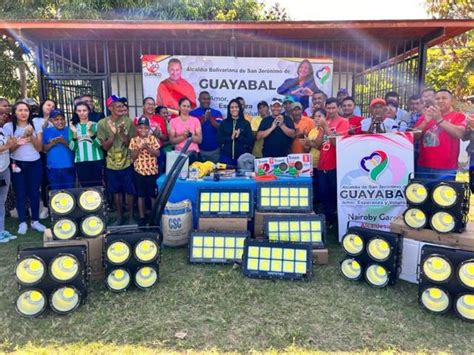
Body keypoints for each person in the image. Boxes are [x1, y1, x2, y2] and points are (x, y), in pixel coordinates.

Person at [3, 102, 46, 234]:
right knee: (20, 193)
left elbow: (39, 148)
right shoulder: (8, 126)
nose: (23, 113)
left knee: (34, 192)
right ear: (14, 112)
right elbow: (10, 149)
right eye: (20, 110)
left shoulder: (35, 124)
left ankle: (35, 221)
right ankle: (22, 222)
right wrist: (21, 139)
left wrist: (31, 135)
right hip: (17, 163)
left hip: (34, 162)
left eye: (26, 110)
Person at [97, 95, 136, 225]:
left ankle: (130, 217)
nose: (121, 108)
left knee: (129, 191)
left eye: (122, 106)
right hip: (111, 164)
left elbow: (131, 143)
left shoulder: (128, 121)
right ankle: (119, 217)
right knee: (116, 192)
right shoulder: (102, 123)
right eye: (117, 106)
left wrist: (121, 133)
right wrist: (113, 135)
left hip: (127, 162)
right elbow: (105, 147)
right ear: (110, 108)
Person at [415, 89, 466, 181]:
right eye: (437, 98)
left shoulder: (458, 116)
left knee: (443, 194)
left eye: (444, 98)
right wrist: (425, 121)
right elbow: (414, 137)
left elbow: (459, 133)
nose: (440, 101)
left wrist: (439, 120)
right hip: (423, 166)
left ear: (452, 101)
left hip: (446, 169)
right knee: (421, 195)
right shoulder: (426, 115)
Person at [315, 98, 350, 227]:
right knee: (324, 194)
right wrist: (321, 128)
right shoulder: (326, 121)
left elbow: (337, 143)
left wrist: (325, 127)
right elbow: (318, 145)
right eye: (328, 108)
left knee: (334, 194)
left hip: (335, 164)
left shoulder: (343, 122)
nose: (331, 110)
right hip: (322, 164)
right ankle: (327, 220)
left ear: (338, 108)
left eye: (333, 108)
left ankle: (336, 222)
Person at [129, 116, 160, 226]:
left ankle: (153, 217)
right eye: (141, 127)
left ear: (149, 128)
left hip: (152, 172)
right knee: (140, 195)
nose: (143, 130)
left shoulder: (152, 139)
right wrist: (139, 148)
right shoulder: (133, 140)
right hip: (139, 172)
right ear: (137, 128)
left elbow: (157, 154)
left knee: (153, 196)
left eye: (146, 128)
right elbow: (132, 157)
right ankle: (142, 217)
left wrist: (147, 148)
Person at [69, 102, 104, 187]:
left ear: (89, 111)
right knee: (86, 189)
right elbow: (72, 148)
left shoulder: (96, 125)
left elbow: (100, 145)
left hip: (96, 160)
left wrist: (91, 133)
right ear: (76, 112)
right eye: (79, 111)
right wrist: (74, 134)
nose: (82, 113)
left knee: (98, 188)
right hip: (81, 161)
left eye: (84, 110)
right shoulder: (73, 128)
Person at [33, 99, 56, 219]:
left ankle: (55, 206)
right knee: (44, 181)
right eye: (48, 105)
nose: (50, 107)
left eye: (53, 106)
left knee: (53, 180)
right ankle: (46, 207)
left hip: (52, 153)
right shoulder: (35, 120)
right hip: (40, 154)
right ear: (42, 106)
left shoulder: (56, 121)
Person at [42, 109, 76, 190]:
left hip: (69, 167)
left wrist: (64, 142)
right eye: (56, 119)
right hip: (53, 168)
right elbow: (43, 149)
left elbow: (75, 148)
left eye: (62, 119)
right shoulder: (46, 131)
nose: (60, 121)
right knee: (56, 195)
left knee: (70, 194)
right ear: (51, 121)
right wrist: (53, 143)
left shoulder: (71, 130)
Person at [217, 98, 254, 165]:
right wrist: (230, 138)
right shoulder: (224, 123)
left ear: (240, 108)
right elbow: (219, 140)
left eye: (236, 107)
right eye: (232, 107)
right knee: (226, 175)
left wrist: (239, 137)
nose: (234, 109)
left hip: (242, 158)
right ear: (229, 109)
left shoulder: (245, 123)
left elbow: (250, 141)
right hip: (226, 157)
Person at [190, 91, 223, 163]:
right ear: (199, 100)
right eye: (204, 99)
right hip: (198, 151)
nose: (206, 101)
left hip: (214, 151)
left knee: (215, 173)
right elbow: (191, 131)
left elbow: (221, 129)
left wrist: (211, 119)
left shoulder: (216, 113)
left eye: (208, 99)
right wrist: (203, 119)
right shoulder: (192, 113)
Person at [138, 97, 169, 172]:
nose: (150, 106)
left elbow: (166, 138)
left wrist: (159, 134)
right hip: (143, 153)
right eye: (148, 104)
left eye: (152, 104)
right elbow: (135, 138)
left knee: (158, 177)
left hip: (158, 151)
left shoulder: (160, 119)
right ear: (143, 106)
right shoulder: (138, 119)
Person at [303, 108, 325, 211]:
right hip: (311, 163)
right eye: (315, 116)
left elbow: (318, 145)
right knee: (313, 187)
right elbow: (310, 147)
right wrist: (307, 144)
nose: (317, 119)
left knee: (322, 189)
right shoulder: (312, 130)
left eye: (320, 116)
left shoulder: (324, 129)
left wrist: (310, 143)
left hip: (321, 163)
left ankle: (321, 209)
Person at [169, 97, 202, 164]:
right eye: (184, 106)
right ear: (179, 107)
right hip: (179, 155)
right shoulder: (173, 121)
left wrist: (190, 135)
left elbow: (199, 140)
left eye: (188, 106)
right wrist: (183, 136)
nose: (186, 108)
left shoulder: (195, 120)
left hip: (193, 155)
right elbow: (172, 141)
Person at [0, 123, 17, 242]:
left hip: (4, 170)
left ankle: (1, 230)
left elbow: (10, 145)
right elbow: (7, 146)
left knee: (1, 202)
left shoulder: (2, 130)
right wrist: (8, 145)